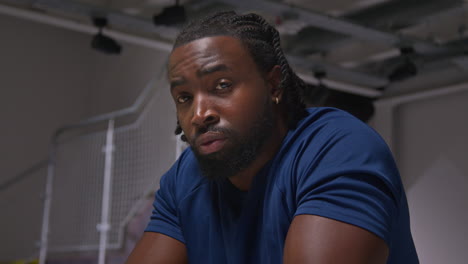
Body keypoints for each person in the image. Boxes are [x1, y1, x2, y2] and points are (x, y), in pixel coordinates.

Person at [126, 11, 419, 264]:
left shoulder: (336, 148)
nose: (199, 114)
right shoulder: (185, 178)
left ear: (273, 84)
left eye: (222, 85)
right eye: (184, 97)